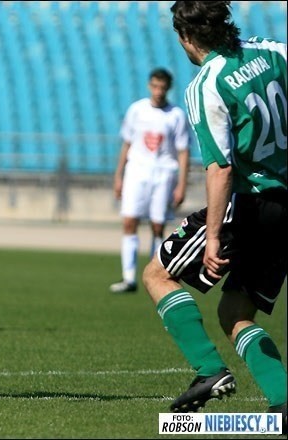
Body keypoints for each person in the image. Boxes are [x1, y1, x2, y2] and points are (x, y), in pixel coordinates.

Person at [142, 0, 286, 428]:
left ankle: (209, 371)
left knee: (157, 274)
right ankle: (282, 401)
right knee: (236, 313)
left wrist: (213, 235)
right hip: (286, 207)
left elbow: (220, 168)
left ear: (186, 38)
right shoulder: (275, 52)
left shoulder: (207, 84)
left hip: (248, 201)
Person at [110, 68, 190, 293]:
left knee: (157, 225)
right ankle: (128, 277)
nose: (158, 91)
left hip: (163, 173)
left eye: (162, 87)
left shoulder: (176, 115)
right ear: (149, 86)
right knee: (129, 222)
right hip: (137, 171)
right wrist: (119, 176)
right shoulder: (136, 110)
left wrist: (182, 183)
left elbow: (183, 151)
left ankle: (155, 274)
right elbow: (126, 144)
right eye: (155, 86)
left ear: (168, 88)